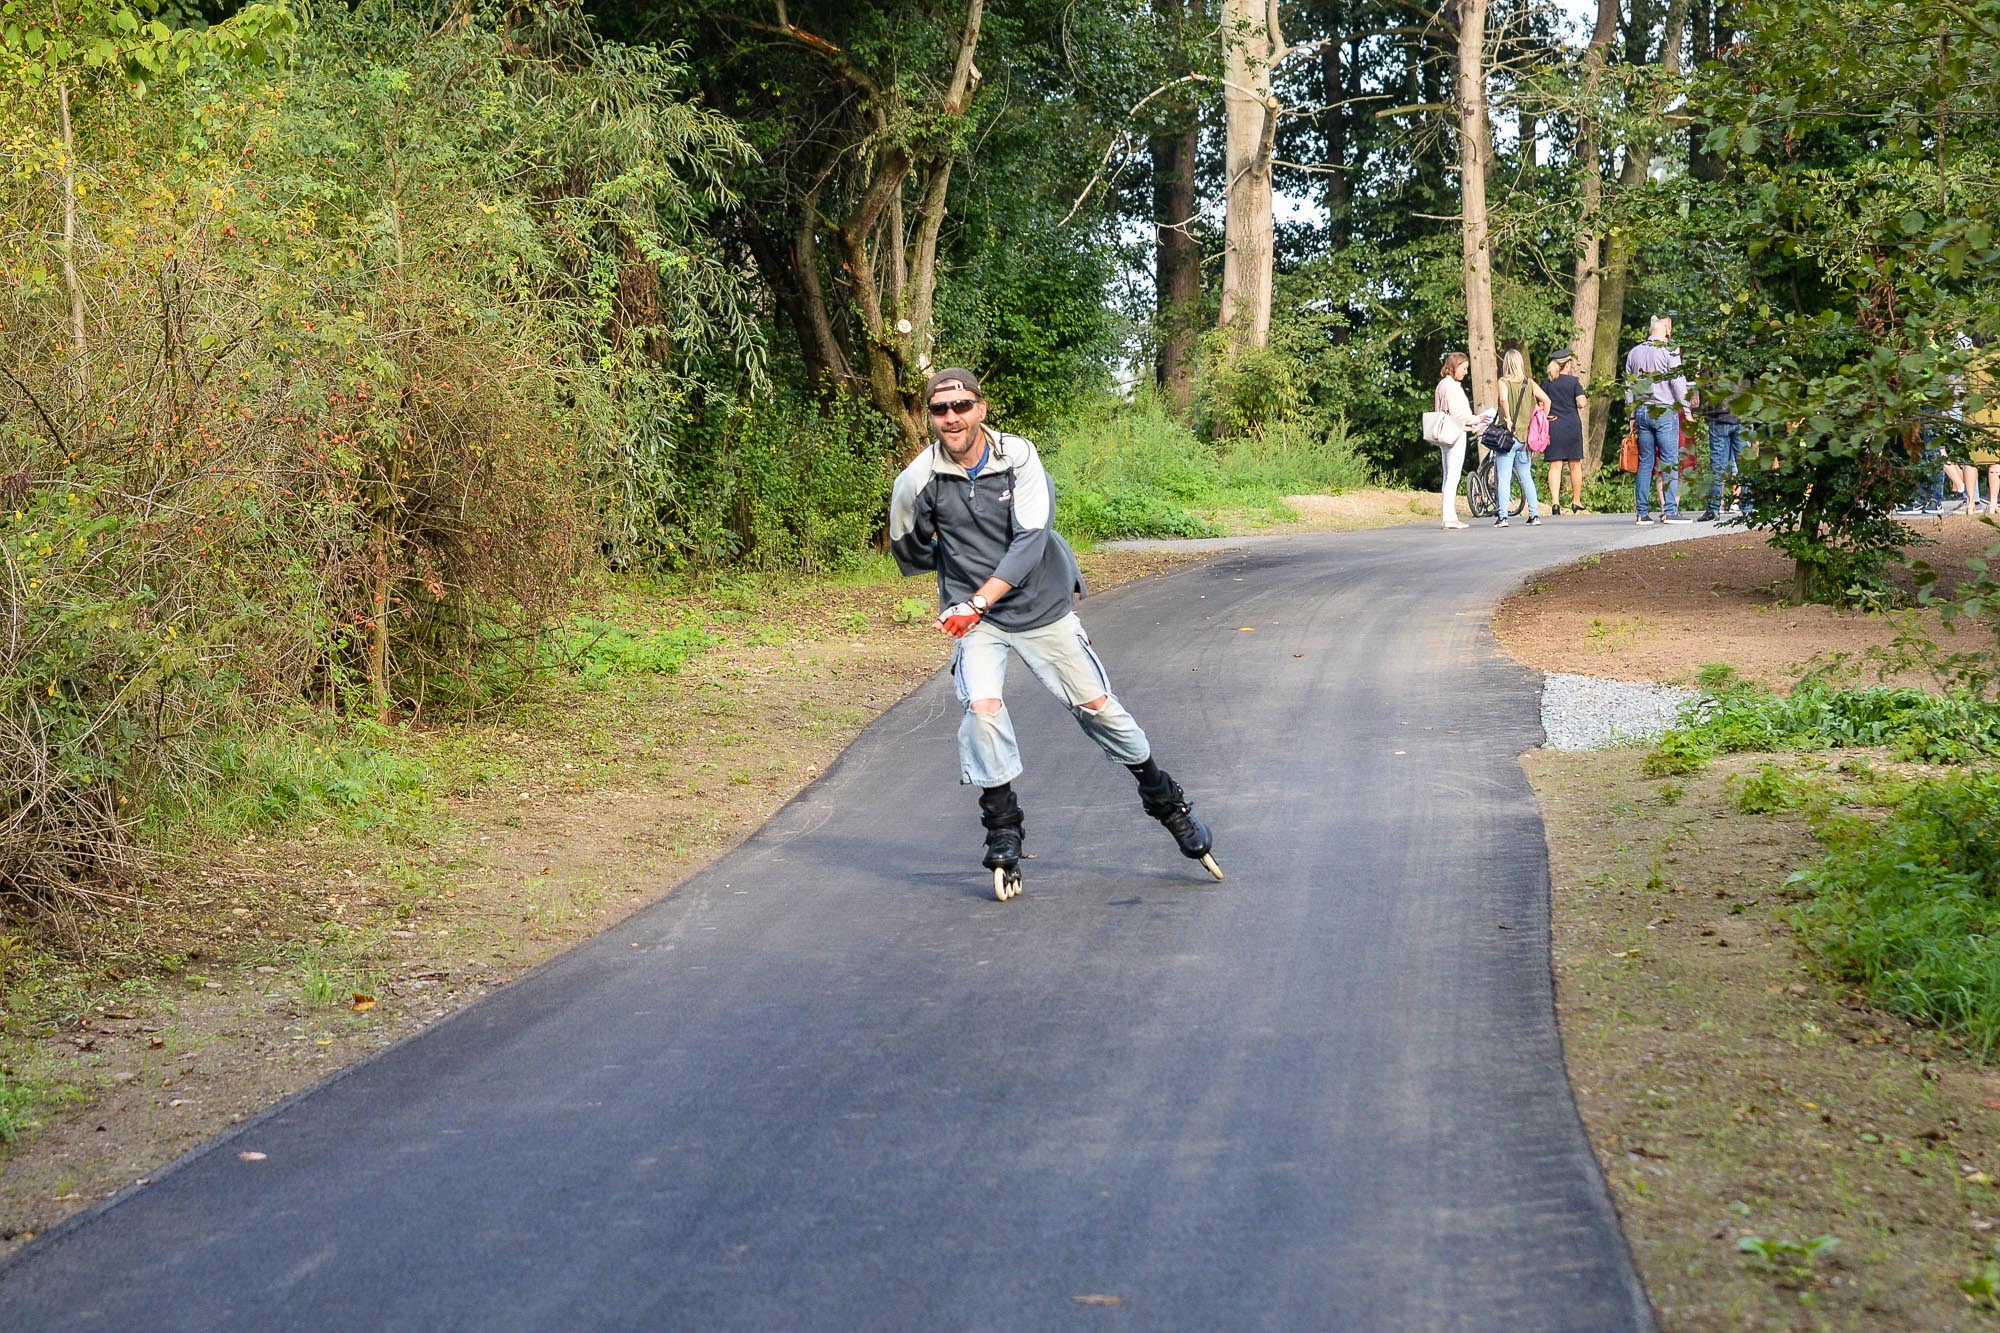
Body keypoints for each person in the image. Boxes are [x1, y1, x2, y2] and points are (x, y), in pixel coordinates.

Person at [888, 367, 1222, 901]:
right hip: (978, 621)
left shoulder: (1018, 457)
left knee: (1099, 709)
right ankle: (1002, 828)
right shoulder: (918, 480)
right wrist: (958, 578)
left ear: (982, 408)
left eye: (962, 405)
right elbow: (908, 548)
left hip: (1041, 605)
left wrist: (978, 597)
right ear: (930, 415)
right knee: (983, 710)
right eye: (940, 409)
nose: (952, 417)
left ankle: (1168, 804)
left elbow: (1030, 539)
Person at [1624, 315, 1696, 524]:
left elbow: (1629, 387)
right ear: (1666, 330)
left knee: (1646, 462)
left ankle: (1642, 513)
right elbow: (1678, 383)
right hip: (1664, 411)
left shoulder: (1634, 352)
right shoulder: (1669, 351)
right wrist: (1687, 411)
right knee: (1670, 461)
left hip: (1642, 411)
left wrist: (1631, 415)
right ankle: (1670, 511)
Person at [1432, 352, 1492, 529]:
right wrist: (1478, 419)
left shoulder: (1441, 385)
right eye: (1463, 368)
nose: (1465, 372)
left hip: (1444, 432)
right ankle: (1449, 517)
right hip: (1455, 433)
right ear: (1454, 366)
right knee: (1453, 474)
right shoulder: (1453, 387)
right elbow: (1459, 414)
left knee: (1448, 475)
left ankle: (1448, 514)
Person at [1491, 349, 1547, 527]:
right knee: (1526, 476)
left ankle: (1503, 517)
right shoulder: (1528, 383)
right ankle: (1534, 515)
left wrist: (1507, 419)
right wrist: (1541, 421)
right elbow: (1547, 400)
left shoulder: (1503, 381)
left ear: (1506, 363)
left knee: (1505, 477)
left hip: (1508, 437)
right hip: (1525, 439)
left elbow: (1503, 399)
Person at [1540, 349, 1588, 513]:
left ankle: (1555, 503)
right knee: (1575, 464)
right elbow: (1581, 403)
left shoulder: (1547, 384)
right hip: (1571, 427)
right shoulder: (1573, 382)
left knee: (1555, 465)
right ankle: (1576, 500)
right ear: (1567, 364)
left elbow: (1540, 404)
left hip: (1554, 426)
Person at [1698, 375, 1748, 521]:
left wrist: (1706, 414)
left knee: (1717, 467)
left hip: (1718, 416)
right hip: (1741, 415)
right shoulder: (1747, 357)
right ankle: (1748, 509)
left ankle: (1713, 509)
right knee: (1744, 465)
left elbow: (1704, 386)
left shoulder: (1712, 356)